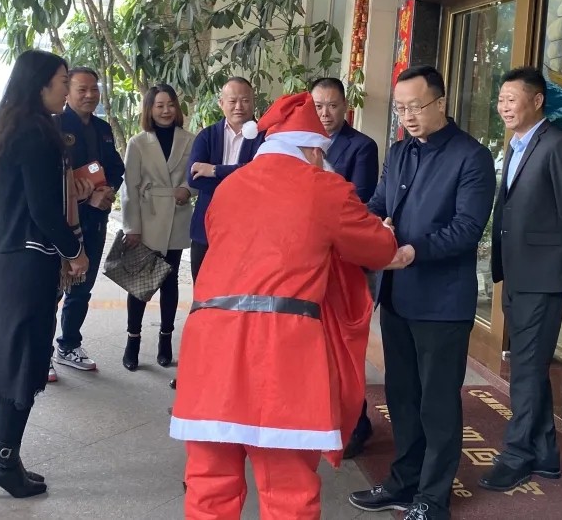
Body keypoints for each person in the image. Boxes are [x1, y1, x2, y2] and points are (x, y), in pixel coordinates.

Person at [171, 92, 406, 520]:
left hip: (209, 344)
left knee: (209, 482)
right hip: (282, 349)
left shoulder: (228, 187)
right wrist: (393, 242)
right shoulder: (324, 187)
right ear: (313, 151)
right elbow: (376, 248)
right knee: (288, 488)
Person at [349, 66, 496, 520]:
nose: (408, 116)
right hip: (397, 295)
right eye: (401, 108)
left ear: (441, 103)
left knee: (437, 404)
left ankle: (433, 499)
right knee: (402, 398)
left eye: (416, 106)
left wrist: (413, 250)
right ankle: (403, 482)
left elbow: (467, 229)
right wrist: (373, 226)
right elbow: (378, 204)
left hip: (441, 303)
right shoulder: (399, 152)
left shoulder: (471, 157)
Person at [0, 50, 90, 500]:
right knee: (24, 359)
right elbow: (44, 210)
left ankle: (2, 455)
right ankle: (3, 460)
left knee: (13, 355)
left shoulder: (14, 127)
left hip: (8, 259)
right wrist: (75, 252)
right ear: (40, 84)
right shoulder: (38, 133)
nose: (67, 88)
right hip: (28, 262)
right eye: (62, 81)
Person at [479, 67, 562, 493]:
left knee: (525, 369)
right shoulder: (517, 145)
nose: (504, 107)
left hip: (544, 275)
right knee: (530, 366)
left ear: (538, 100)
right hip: (519, 271)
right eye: (501, 100)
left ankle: (517, 455)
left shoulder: (558, 146)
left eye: (512, 98)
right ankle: (545, 453)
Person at [310, 76, 380, 459]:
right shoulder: (300, 143)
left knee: (347, 345)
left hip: (346, 261)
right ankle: (325, 416)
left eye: (333, 105)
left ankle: (357, 423)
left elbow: (361, 200)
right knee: (318, 345)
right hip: (312, 260)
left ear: (345, 107)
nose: (325, 113)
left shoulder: (361, 146)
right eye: (318, 106)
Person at [52, 66, 124, 378]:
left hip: (96, 219)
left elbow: (116, 169)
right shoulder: (55, 125)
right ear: (67, 92)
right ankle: (40, 352)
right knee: (54, 288)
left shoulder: (102, 128)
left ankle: (69, 345)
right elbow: (50, 180)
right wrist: (83, 197)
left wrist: (108, 191)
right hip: (64, 221)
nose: (90, 95)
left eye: (94, 89)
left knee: (82, 286)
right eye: (82, 89)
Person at [119, 83, 196, 371]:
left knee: (170, 282)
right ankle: (133, 340)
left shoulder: (190, 139)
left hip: (176, 216)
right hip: (147, 217)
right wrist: (132, 227)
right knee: (139, 284)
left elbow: (196, 174)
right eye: (159, 105)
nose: (166, 111)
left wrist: (188, 189)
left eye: (170, 104)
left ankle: (166, 339)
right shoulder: (138, 142)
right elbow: (129, 187)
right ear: (149, 109)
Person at [185, 77, 263, 281]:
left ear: (253, 102)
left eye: (245, 100)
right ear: (221, 103)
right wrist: (241, 177)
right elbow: (194, 179)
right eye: (232, 101)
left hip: (247, 231)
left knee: (240, 290)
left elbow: (261, 175)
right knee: (202, 288)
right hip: (206, 229)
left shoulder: (265, 137)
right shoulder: (207, 136)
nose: (239, 107)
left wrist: (214, 170)